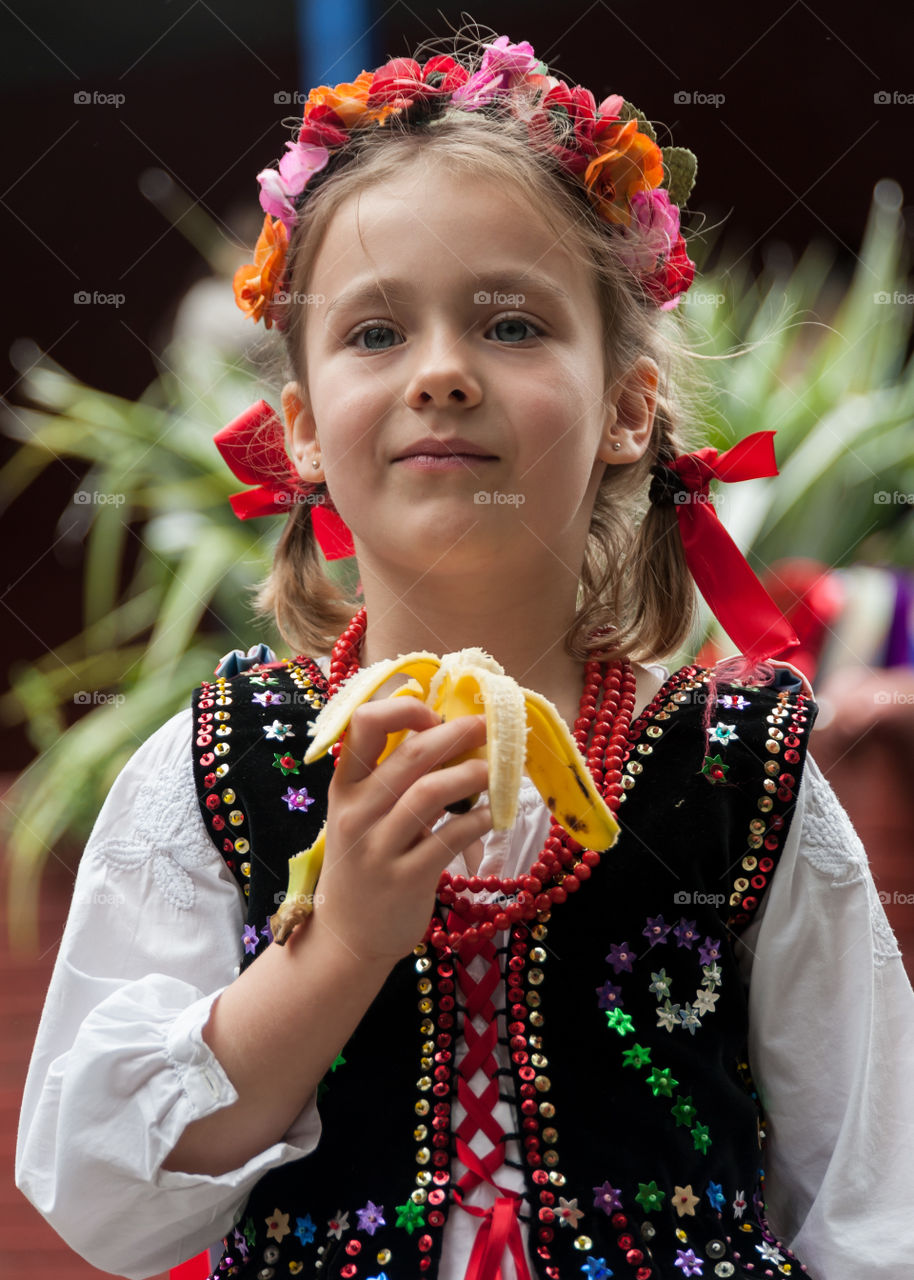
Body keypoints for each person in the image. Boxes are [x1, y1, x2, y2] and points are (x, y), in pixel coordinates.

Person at [16, 27, 914, 1280]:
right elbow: (108, 1200)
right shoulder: (212, 773)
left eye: (508, 323)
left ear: (627, 408)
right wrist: (335, 947)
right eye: (375, 334)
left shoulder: (739, 779)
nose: (441, 372)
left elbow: (879, 1202)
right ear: (302, 428)